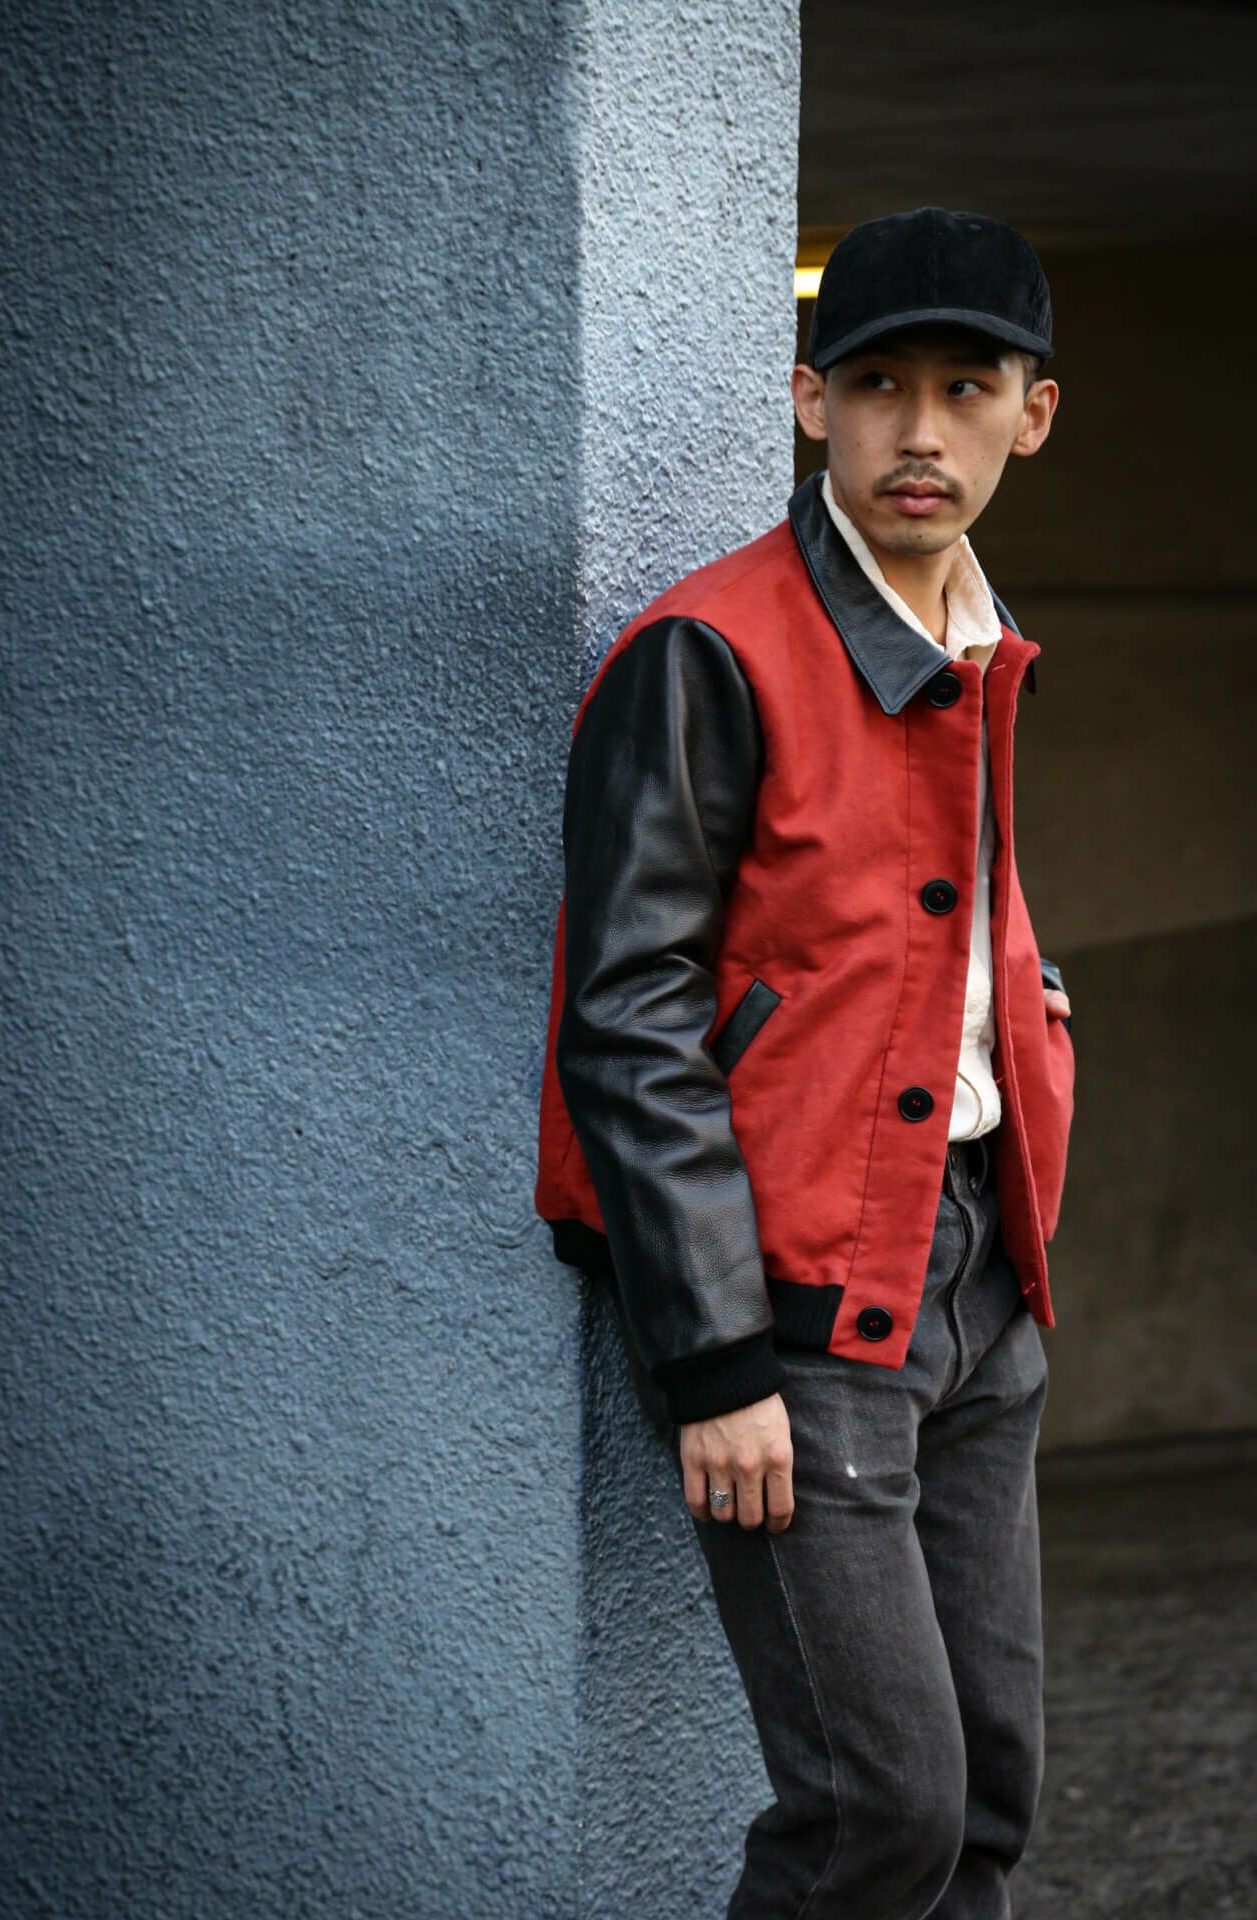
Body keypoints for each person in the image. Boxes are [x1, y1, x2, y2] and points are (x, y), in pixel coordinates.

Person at [533, 205, 1077, 1919]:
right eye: (878, 385)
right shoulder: (710, 649)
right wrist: (712, 1362)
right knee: (879, 1817)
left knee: (987, 1802)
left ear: (1031, 417)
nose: (920, 431)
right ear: (807, 401)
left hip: (978, 1281)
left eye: (966, 389)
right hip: (797, 1303)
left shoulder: (984, 646)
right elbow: (628, 1018)